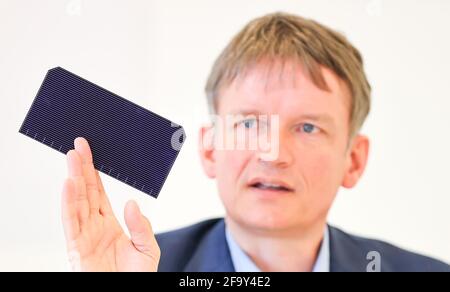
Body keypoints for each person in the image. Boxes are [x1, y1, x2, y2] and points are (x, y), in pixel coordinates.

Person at [61, 12, 450, 272]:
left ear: (354, 160)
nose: (273, 154)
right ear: (210, 148)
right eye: (249, 124)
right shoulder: (139, 267)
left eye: (308, 128)